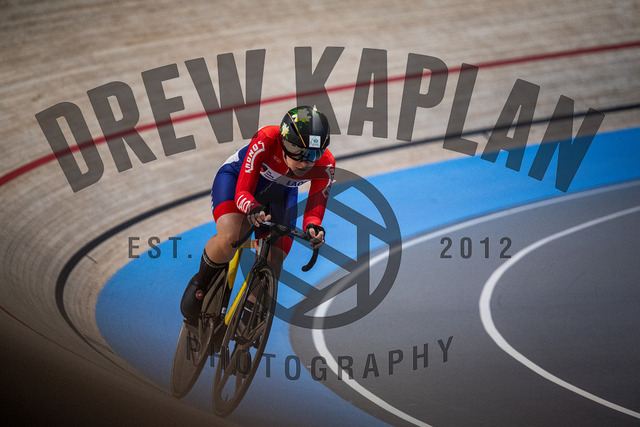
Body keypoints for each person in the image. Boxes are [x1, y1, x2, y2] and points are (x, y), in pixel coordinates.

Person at [180, 105, 335, 325]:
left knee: (276, 257)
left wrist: (313, 226)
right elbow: (243, 192)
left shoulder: (326, 163)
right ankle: (201, 282)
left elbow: (315, 208)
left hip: (280, 195)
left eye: (314, 154)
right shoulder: (266, 139)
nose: (306, 162)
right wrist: (252, 207)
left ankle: (249, 311)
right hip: (237, 180)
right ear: (284, 142)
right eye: (299, 152)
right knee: (232, 235)